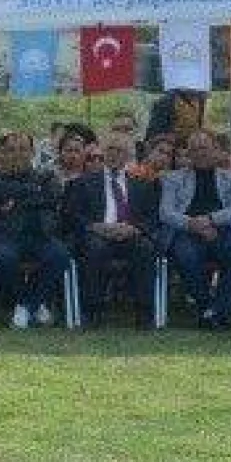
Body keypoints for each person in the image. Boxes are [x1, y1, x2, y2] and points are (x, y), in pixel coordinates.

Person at [157, 129, 231, 329]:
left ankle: (218, 310)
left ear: (215, 150)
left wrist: (210, 220)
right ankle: (208, 307)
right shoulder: (173, 179)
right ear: (188, 153)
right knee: (185, 255)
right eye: (195, 149)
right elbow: (165, 212)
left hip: (222, 230)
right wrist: (192, 224)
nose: (200, 153)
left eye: (205, 148)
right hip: (186, 231)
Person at [62, 131, 157, 327]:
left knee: (145, 248)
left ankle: (144, 311)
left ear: (128, 156)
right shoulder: (85, 182)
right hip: (98, 234)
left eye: (120, 151)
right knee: (95, 248)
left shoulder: (142, 185)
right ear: (104, 153)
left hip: (129, 234)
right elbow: (72, 215)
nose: (114, 155)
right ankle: (92, 309)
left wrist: (134, 229)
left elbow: (152, 217)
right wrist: (95, 226)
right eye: (110, 150)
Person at [0, 130, 71, 329]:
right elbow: (0, 192)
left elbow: (51, 198)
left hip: (42, 235)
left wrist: (16, 200)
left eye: (23, 149)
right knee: (1, 258)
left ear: (33, 153)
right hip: (8, 236)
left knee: (60, 255)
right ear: (2, 154)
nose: (18, 154)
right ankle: (31, 303)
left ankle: (26, 305)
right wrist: (33, 193)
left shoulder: (46, 176)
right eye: (11, 150)